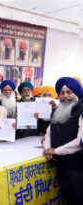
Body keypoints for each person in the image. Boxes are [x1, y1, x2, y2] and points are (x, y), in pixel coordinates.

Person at [43, 77, 83, 205]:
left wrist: (55, 150)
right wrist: (47, 148)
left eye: (69, 92)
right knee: (68, 197)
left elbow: (80, 141)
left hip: (77, 165)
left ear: (76, 93)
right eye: (62, 93)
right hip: (61, 163)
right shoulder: (56, 110)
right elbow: (49, 132)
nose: (65, 96)